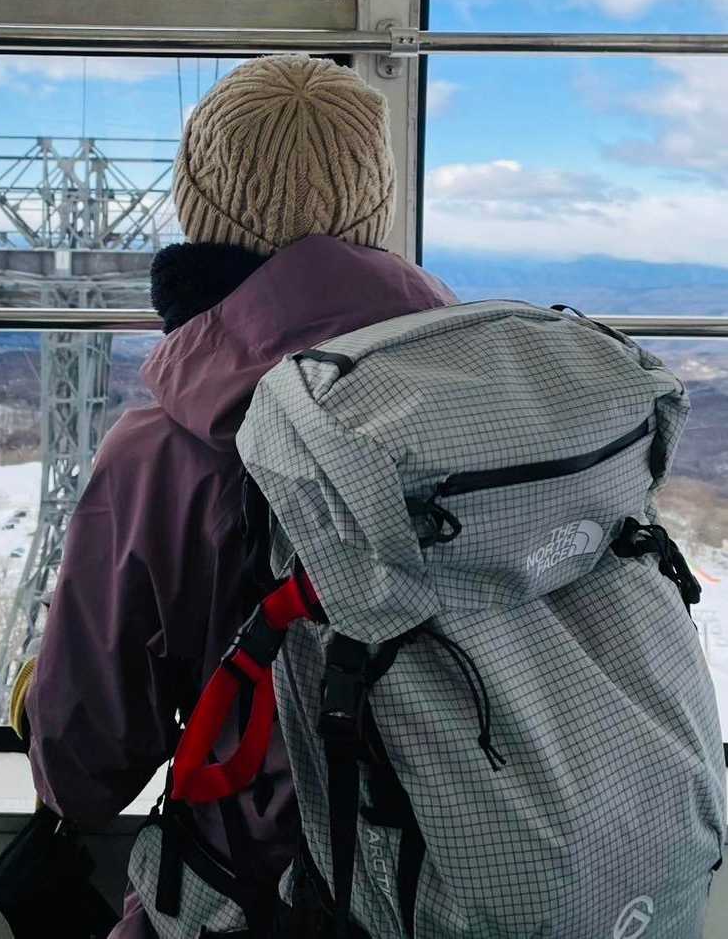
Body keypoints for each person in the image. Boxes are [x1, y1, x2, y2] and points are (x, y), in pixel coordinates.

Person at [23, 54, 456, 937]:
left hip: (286, 899)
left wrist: (36, 694)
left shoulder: (167, 449)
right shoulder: (495, 400)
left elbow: (84, 769)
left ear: (196, 208)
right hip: (517, 871)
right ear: (376, 209)